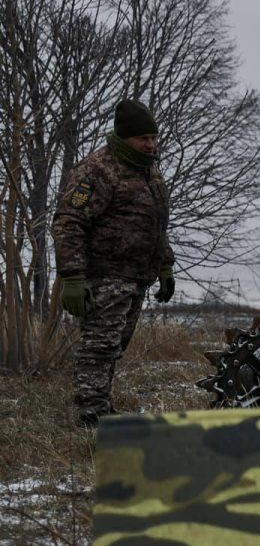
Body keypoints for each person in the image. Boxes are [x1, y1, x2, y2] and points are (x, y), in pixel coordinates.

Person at [52, 99, 175, 427]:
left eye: (153, 137)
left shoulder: (151, 172)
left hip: (137, 276)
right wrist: (73, 277)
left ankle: (99, 407)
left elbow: (156, 224)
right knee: (100, 346)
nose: (150, 144)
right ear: (124, 138)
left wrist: (165, 267)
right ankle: (91, 417)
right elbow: (68, 221)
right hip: (104, 274)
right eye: (143, 139)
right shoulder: (97, 170)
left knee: (115, 345)